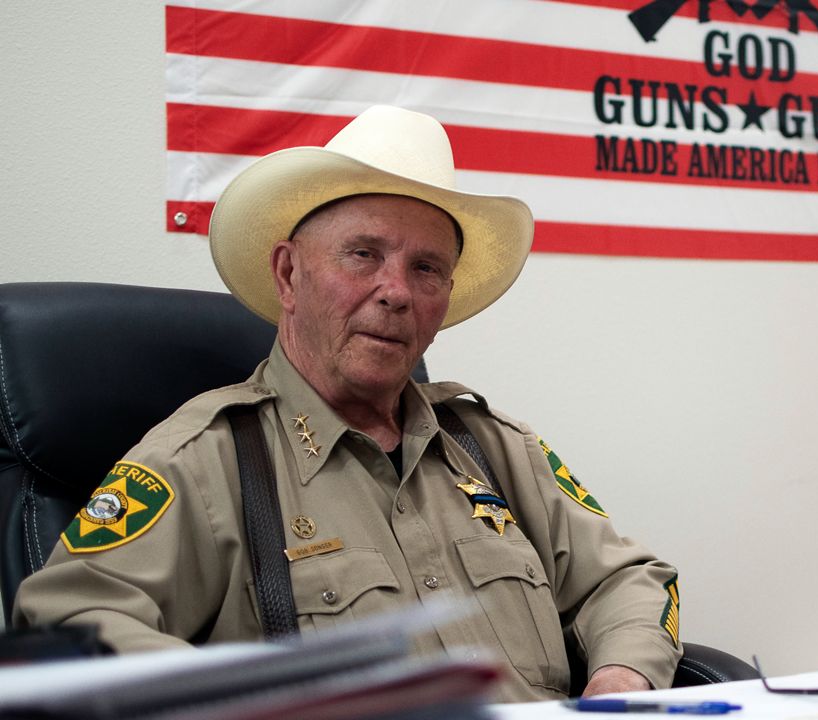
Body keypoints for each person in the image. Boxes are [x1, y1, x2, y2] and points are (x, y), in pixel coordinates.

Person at [13, 106, 681, 702]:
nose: (395, 292)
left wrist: (619, 685)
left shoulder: (496, 448)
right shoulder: (207, 459)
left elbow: (631, 579)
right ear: (288, 274)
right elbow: (65, 624)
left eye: (425, 268)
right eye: (363, 254)